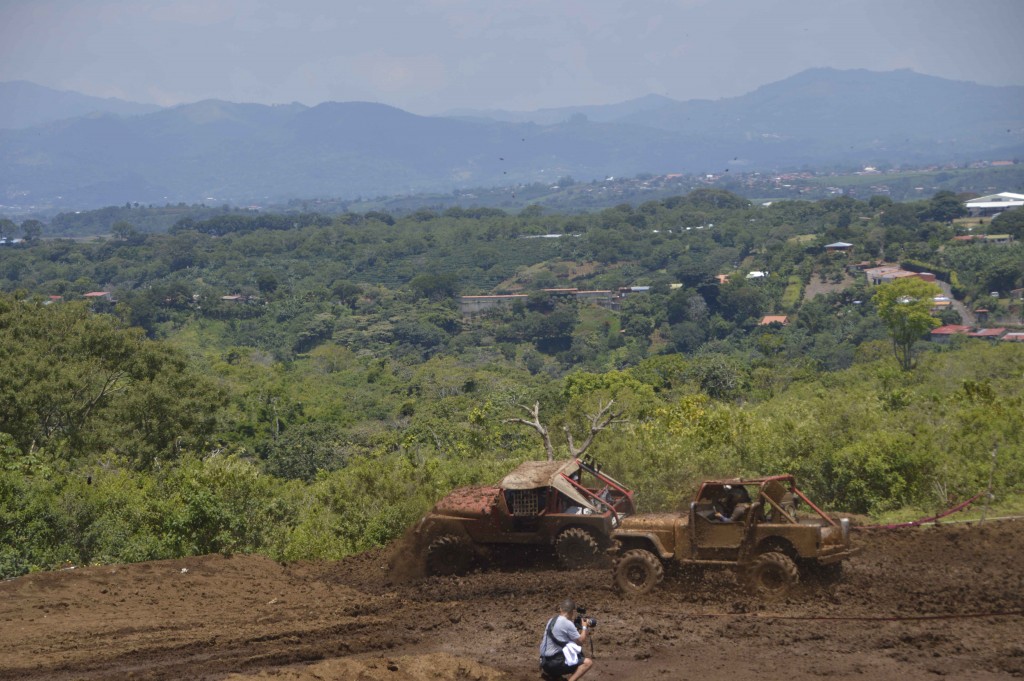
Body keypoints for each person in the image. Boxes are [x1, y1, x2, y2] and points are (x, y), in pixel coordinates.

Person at [538, 598, 593, 681]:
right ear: (572, 611)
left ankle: (552, 676)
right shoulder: (568, 623)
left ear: (560, 609)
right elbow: (580, 642)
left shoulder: (551, 620)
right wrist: (584, 626)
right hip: (553, 663)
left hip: (543, 662)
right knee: (587, 663)